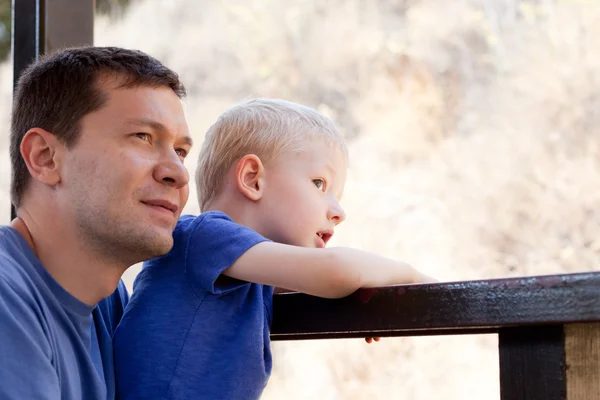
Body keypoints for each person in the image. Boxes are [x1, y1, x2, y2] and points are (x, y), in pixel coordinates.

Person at [114, 98, 433, 400]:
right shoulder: (202, 236)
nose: (338, 211)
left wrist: (369, 307)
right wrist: (415, 278)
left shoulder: (251, 277)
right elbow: (337, 272)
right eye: (320, 184)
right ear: (252, 179)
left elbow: (329, 284)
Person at [0, 46, 192, 399]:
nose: (178, 173)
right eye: (143, 137)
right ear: (45, 158)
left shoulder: (105, 300)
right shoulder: (6, 298)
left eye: (180, 151)